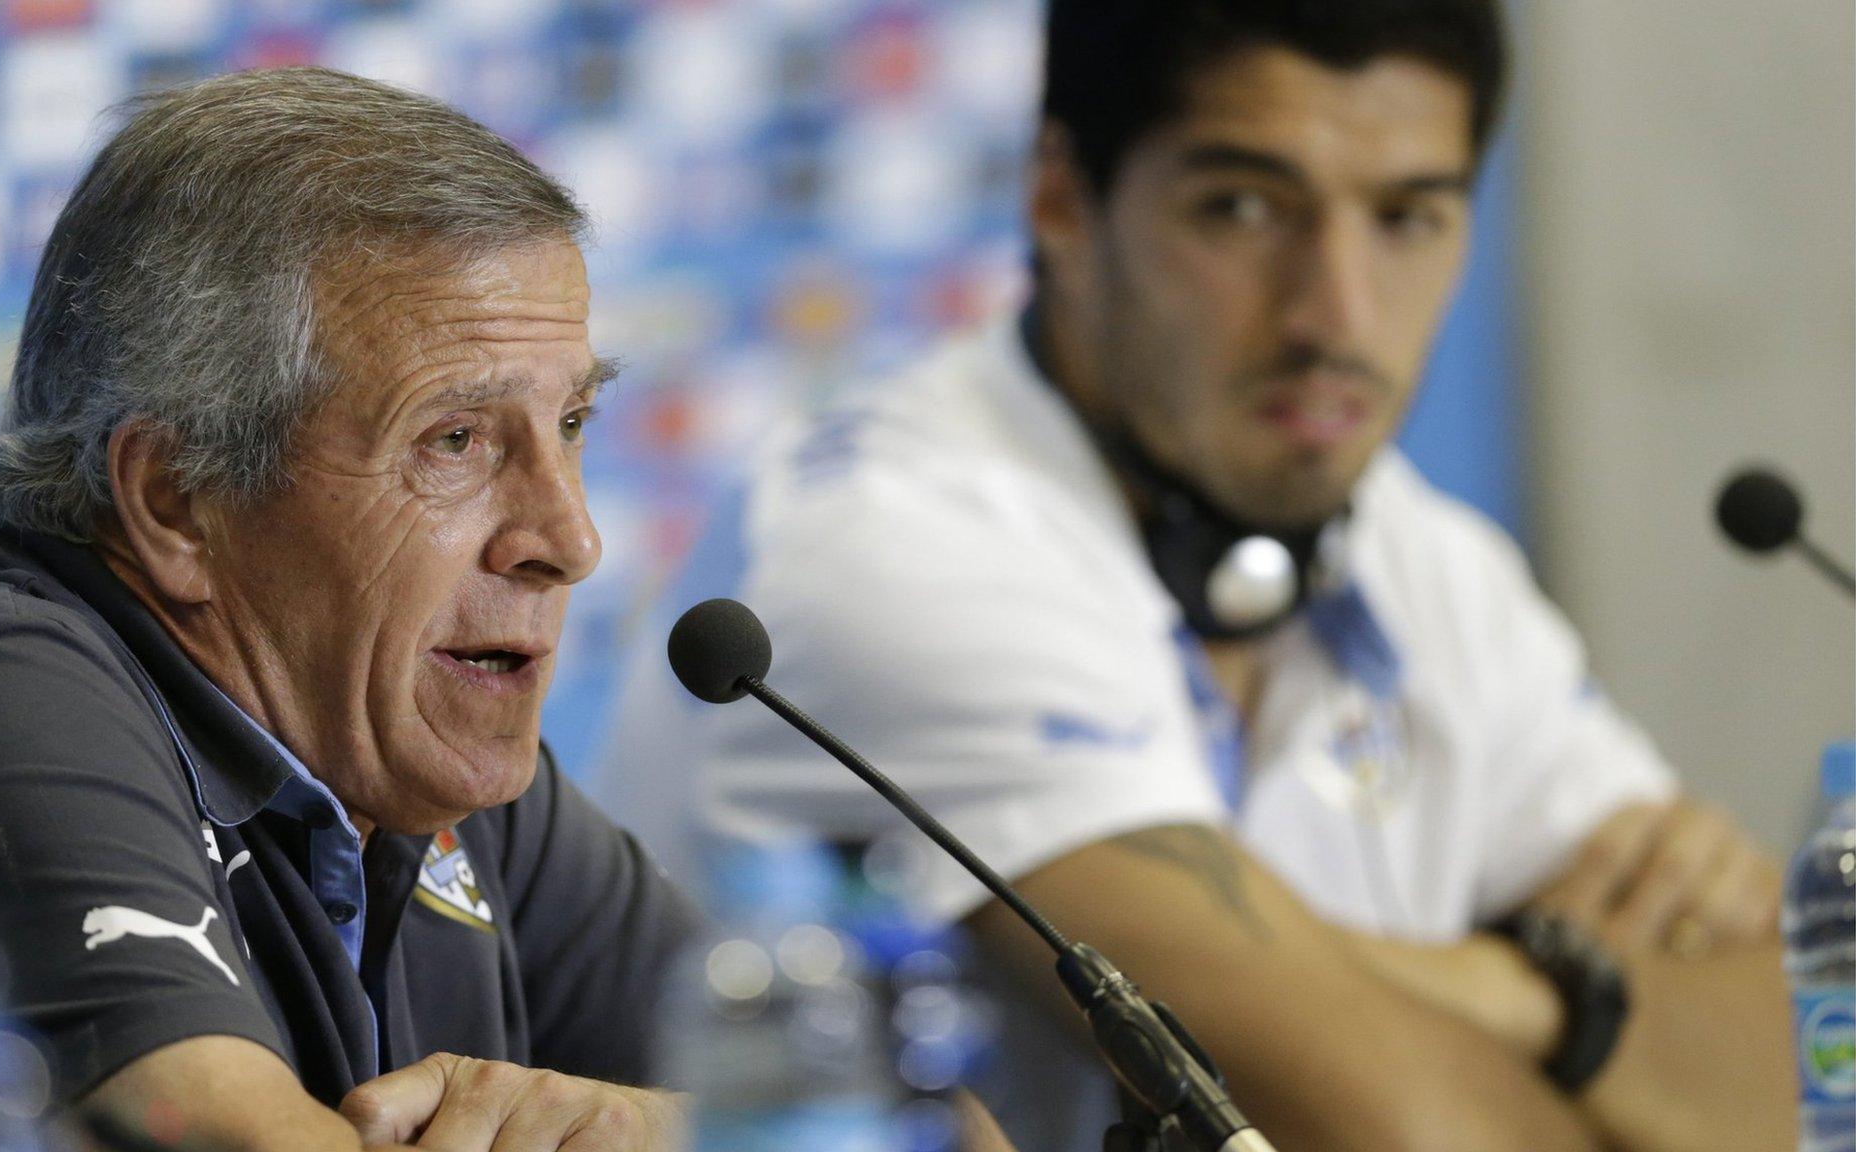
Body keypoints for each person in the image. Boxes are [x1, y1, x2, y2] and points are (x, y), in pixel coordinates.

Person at [592, 3, 1795, 1151]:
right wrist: (1572, 985)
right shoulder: (884, 546)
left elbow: (1791, 1090)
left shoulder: (1428, 561)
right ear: (1060, 194)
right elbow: (1398, 1133)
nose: (1335, 311)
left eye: (1406, 217)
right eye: (1241, 208)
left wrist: (1523, 994)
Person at [0, 68, 699, 1152]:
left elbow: (901, 1111)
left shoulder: (423, 754)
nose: (569, 541)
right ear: (176, 500)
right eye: (454, 441)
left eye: (568, 423)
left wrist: (654, 1130)